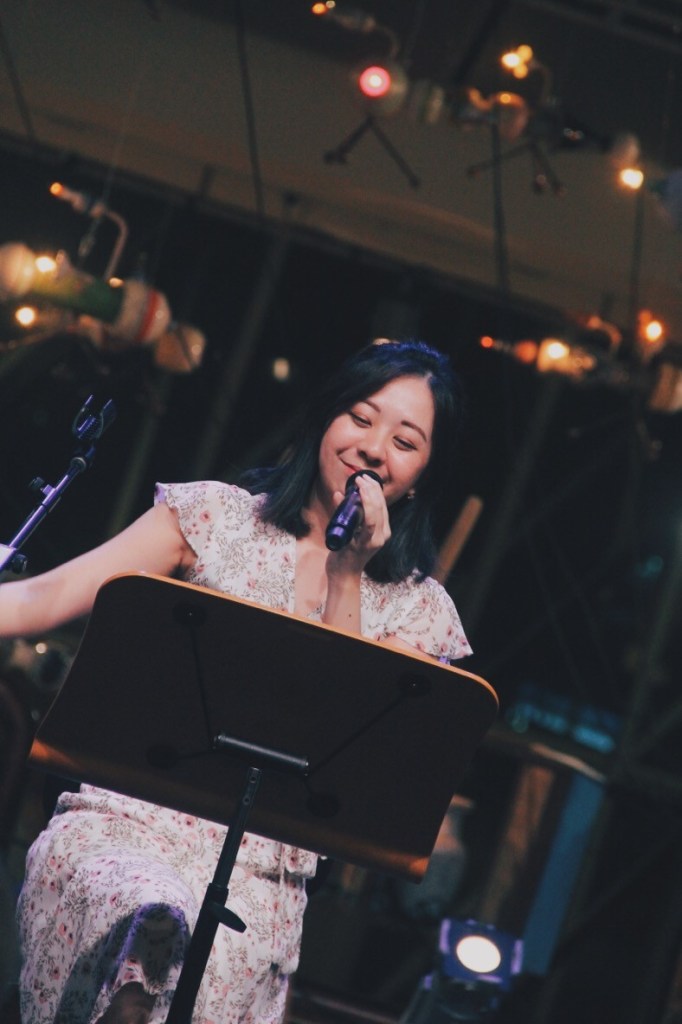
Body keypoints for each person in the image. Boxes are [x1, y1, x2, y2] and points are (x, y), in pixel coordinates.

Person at [1, 339, 472, 1024]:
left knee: (200, 953)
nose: (373, 449)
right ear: (327, 418)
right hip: (127, 828)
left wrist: (346, 576)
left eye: (405, 441)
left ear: (423, 473)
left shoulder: (419, 612)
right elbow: (50, 594)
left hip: (260, 880)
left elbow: (338, 736)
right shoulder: (215, 516)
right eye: (361, 418)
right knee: (154, 917)